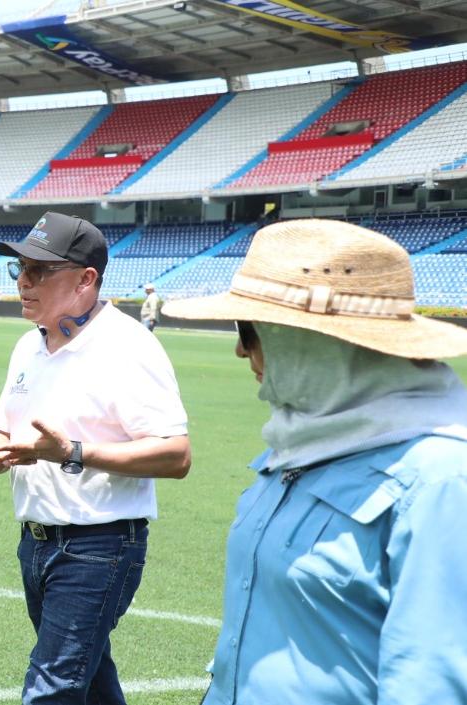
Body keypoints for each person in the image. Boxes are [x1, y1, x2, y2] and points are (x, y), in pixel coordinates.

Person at [161, 219, 467, 705]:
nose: (241, 348)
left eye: (250, 329)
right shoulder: (304, 442)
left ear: (313, 341)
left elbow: (431, 685)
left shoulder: (440, 481)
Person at [0, 212, 192, 705]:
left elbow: (176, 455)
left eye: (39, 271)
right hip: (37, 541)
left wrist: (71, 452)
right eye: (19, 269)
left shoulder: (128, 346)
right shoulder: (29, 345)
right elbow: (6, 427)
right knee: (91, 684)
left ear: (87, 279)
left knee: (52, 689)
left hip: (100, 544)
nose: (24, 281)